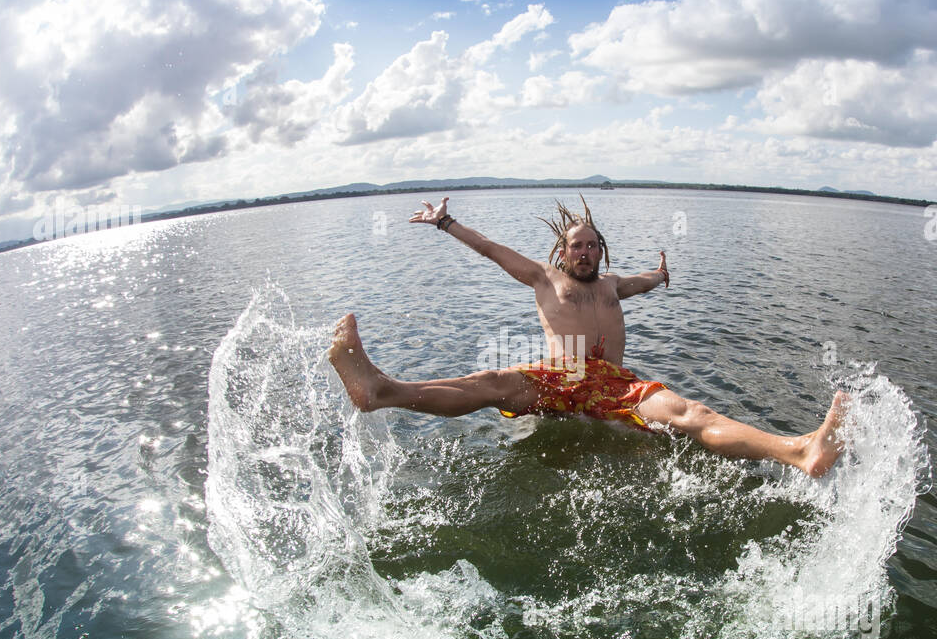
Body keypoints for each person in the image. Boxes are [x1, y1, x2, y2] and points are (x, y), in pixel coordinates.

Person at [328, 195, 849, 476]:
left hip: (615, 385)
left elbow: (644, 281)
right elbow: (490, 249)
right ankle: (378, 391)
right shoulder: (543, 278)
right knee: (490, 382)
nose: (585, 252)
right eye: (576, 245)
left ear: (602, 252)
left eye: (593, 245)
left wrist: (662, 275)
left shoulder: (613, 286)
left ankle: (799, 451)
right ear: (562, 253)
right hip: (560, 379)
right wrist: (447, 224)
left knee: (693, 413)